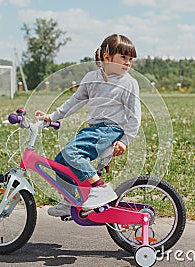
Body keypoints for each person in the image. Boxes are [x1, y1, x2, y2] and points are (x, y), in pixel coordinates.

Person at [35, 34, 141, 217]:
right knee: (61, 160)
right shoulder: (91, 78)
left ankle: (100, 189)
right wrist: (51, 117)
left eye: (131, 59)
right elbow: (74, 101)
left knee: (72, 152)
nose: (128, 63)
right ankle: (69, 202)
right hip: (94, 130)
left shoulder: (129, 83)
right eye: (123, 58)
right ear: (107, 57)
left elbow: (135, 116)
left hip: (111, 130)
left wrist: (125, 140)